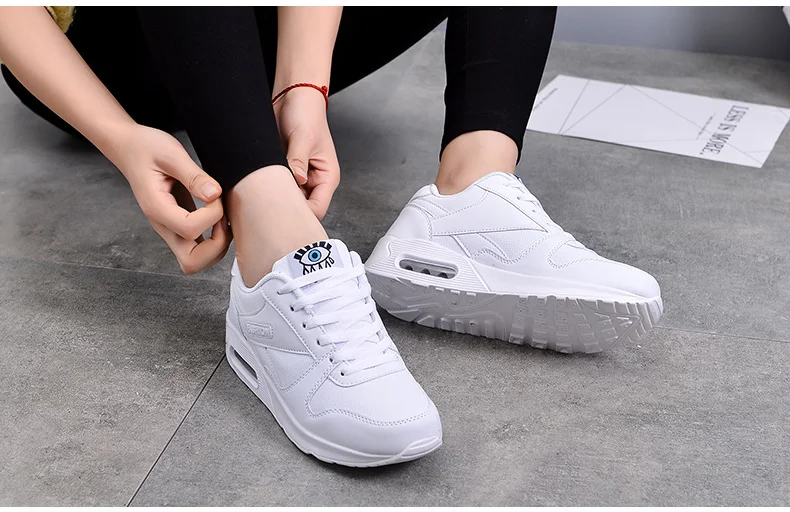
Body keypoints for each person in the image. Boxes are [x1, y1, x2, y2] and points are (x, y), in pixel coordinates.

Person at [0, 7, 662, 467]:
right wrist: (118, 136)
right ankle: (274, 239)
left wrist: (305, 84)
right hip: (93, 50)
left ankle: (471, 193)